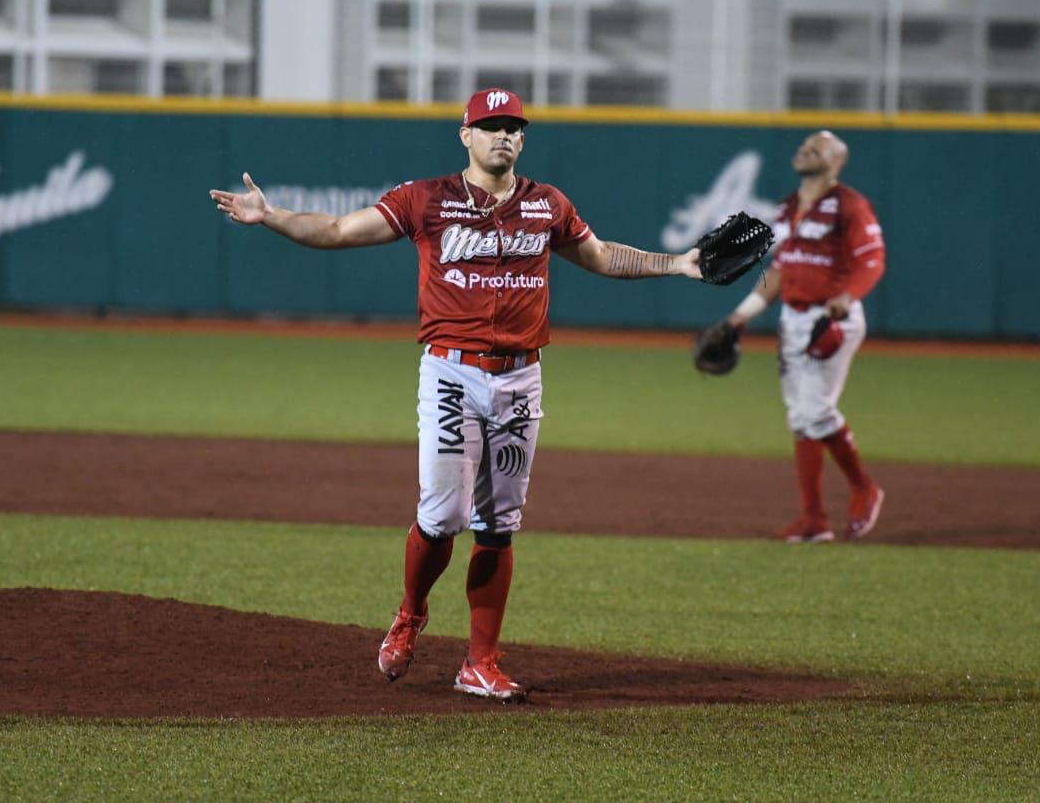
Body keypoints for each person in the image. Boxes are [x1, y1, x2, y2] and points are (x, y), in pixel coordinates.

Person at [209, 88, 703, 699]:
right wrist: (272, 215)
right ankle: (411, 612)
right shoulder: (426, 199)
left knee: (499, 523)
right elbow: (337, 229)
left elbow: (601, 256)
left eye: (513, 127)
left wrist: (679, 264)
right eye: (490, 126)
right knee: (442, 517)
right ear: (465, 135)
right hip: (452, 373)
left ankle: (480, 662)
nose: (504, 135)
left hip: (521, 377)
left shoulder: (547, 204)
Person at [721, 130, 886, 543]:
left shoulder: (849, 205)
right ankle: (814, 520)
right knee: (801, 419)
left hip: (831, 319)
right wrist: (739, 318)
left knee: (814, 411)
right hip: (793, 320)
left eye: (818, 147)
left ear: (837, 162)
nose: (806, 149)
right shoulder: (788, 207)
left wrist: (849, 295)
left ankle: (864, 488)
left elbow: (872, 260)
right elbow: (781, 271)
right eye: (804, 145)